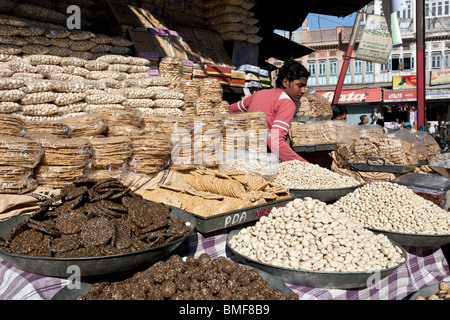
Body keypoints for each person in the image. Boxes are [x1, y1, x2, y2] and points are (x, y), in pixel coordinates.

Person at [229, 59, 310, 162]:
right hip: (263, 161)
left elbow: (230, 110)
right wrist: (305, 165)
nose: (303, 91)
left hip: (243, 157)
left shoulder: (259, 94)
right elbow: (275, 142)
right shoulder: (286, 103)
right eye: (300, 86)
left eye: (305, 87)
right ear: (285, 82)